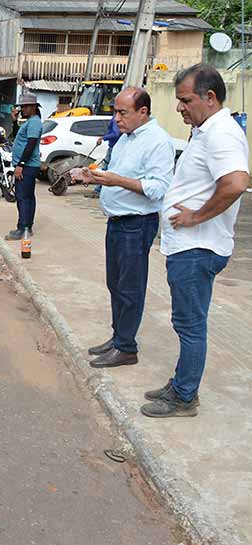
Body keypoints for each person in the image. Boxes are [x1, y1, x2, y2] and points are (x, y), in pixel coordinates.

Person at [141, 64, 249, 418]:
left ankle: (185, 396)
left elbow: (235, 183)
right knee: (185, 321)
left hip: (198, 247)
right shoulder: (206, 131)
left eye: (185, 100)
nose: (179, 107)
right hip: (187, 246)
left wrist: (196, 216)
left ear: (210, 97)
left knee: (190, 325)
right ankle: (180, 383)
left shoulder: (222, 133)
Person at [82, 87, 174, 369]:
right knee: (115, 284)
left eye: (122, 113)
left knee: (130, 288)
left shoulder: (158, 142)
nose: (116, 119)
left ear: (142, 112)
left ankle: (126, 347)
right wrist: (89, 175)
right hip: (117, 222)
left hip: (137, 224)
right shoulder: (126, 138)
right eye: (115, 113)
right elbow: (111, 170)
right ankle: (118, 336)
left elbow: (159, 188)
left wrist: (116, 181)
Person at [6, 93, 43, 240]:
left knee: (22, 197)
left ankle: (23, 228)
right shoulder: (29, 122)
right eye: (22, 107)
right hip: (28, 165)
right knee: (27, 197)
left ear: (33, 107)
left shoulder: (34, 122)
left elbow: (31, 144)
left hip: (27, 166)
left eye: (26, 106)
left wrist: (20, 164)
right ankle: (27, 226)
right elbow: (17, 138)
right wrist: (14, 122)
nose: (23, 109)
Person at [87, 115, 121, 199]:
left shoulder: (116, 118)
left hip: (114, 147)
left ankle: (98, 190)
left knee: (106, 168)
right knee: (106, 168)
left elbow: (115, 134)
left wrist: (103, 138)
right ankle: (99, 189)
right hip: (113, 146)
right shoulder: (116, 117)